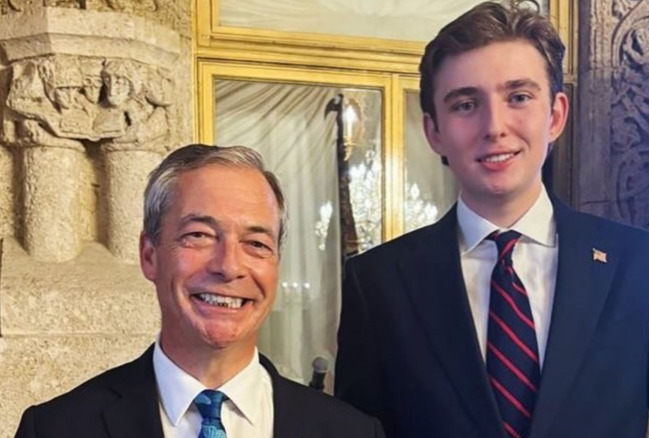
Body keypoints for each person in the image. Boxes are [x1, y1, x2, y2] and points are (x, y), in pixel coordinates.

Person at [335, 3, 649, 438]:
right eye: (466, 105)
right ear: (434, 132)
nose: (495, 126)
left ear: (555, 115)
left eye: (518, 97)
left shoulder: (644, 267)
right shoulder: (378, 282)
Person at [14, 145, 385, 438]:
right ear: (149, 256)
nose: (229, 266)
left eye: (256, 243)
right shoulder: (55, 429)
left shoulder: (351, 431)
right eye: (199, 236)